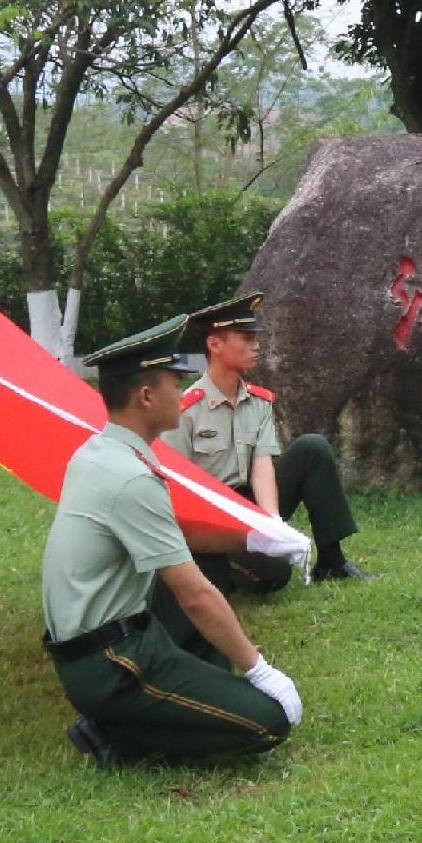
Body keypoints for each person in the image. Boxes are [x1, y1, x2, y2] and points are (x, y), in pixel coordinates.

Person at [46, 316, 303, 770]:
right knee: (267, 720)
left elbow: (178, 538)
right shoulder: (131, 477)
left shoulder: (99, 451)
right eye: (173, 384)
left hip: (117, 632)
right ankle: (115, 737)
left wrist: (257, 538)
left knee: (209, 621)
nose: (182, 396)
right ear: (146, 396)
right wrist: (260, 669)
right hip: (111, 661)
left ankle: (152, 709)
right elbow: (196, 596)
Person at [166, 294, 367, 589]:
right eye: (246, 338)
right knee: (275, 575)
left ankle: (332, 560)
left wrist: (271, 522)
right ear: (215, 344)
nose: (256, 345)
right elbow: (179, 490)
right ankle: (220, 564)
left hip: (251, 505)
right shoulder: (186, 410)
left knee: (312, 447)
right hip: (214, 514)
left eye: (255, 338)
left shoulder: (259, 402)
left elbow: (262, 464)